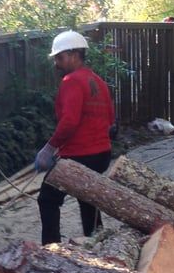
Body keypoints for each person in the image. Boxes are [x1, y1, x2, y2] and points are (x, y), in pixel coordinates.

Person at [35, 30, 116, 245]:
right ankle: (97, 241)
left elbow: (69, 121)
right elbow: (110, 119)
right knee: (88, 197)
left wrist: (50, 148)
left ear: (74, 55)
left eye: (60, 58)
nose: (57, 64)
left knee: (47, 199)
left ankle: (51, 250)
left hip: (80, 155)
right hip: (102, 154)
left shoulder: (71, 81)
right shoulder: (98, 81)